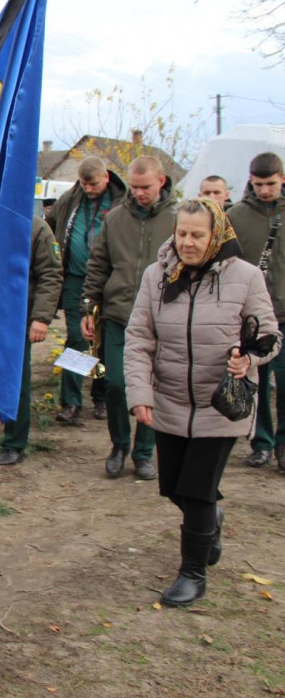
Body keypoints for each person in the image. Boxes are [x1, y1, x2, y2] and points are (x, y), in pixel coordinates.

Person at [126, 198, 280, 606]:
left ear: (217, 235)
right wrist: (140, 393)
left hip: (221, 403)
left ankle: (192, 573)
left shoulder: (245, 277)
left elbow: (270, 335)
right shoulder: (156, 276)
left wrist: (249, 356)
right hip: (171, 398)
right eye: (181, 234)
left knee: (196, 490)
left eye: (197, 234)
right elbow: (139, 340)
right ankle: (210, 518)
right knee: (174, 487)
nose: (188, 243)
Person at [81, 156, 176, 480]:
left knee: (153, 387)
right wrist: (89, 307)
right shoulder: (115, 218)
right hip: (119, 315)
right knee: (115, 384)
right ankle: (119, 445)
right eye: (134, 187)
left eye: (145, 187)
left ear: (161, 181)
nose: (139, 193)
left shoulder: (179, 219)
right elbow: (98, 265)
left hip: (163, 319)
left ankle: (144, 452)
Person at [45, 156, 123, 425]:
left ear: (106, 178)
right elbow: (50, 223)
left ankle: (100, 397)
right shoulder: (70, 200)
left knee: (102, 340)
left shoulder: (119, 202)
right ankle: (71, 401)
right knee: (77, 338)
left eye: (94, 184)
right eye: (84, 184)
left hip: (108, 281)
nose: (89, 189)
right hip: (75, 279)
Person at [226, 152, 285, 470]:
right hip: (254, 315)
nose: (264, 190)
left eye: (271, 183)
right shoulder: (237, 215)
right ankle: (260, 442)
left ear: (282, 179)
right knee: (257, 380)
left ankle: (284, 446)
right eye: (259, 184)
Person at [0, 215, 64, 465]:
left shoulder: (36, 228)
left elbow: (51, 274)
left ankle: (14, 442)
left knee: (16, 381)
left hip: (17, 316)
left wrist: (41, 318)